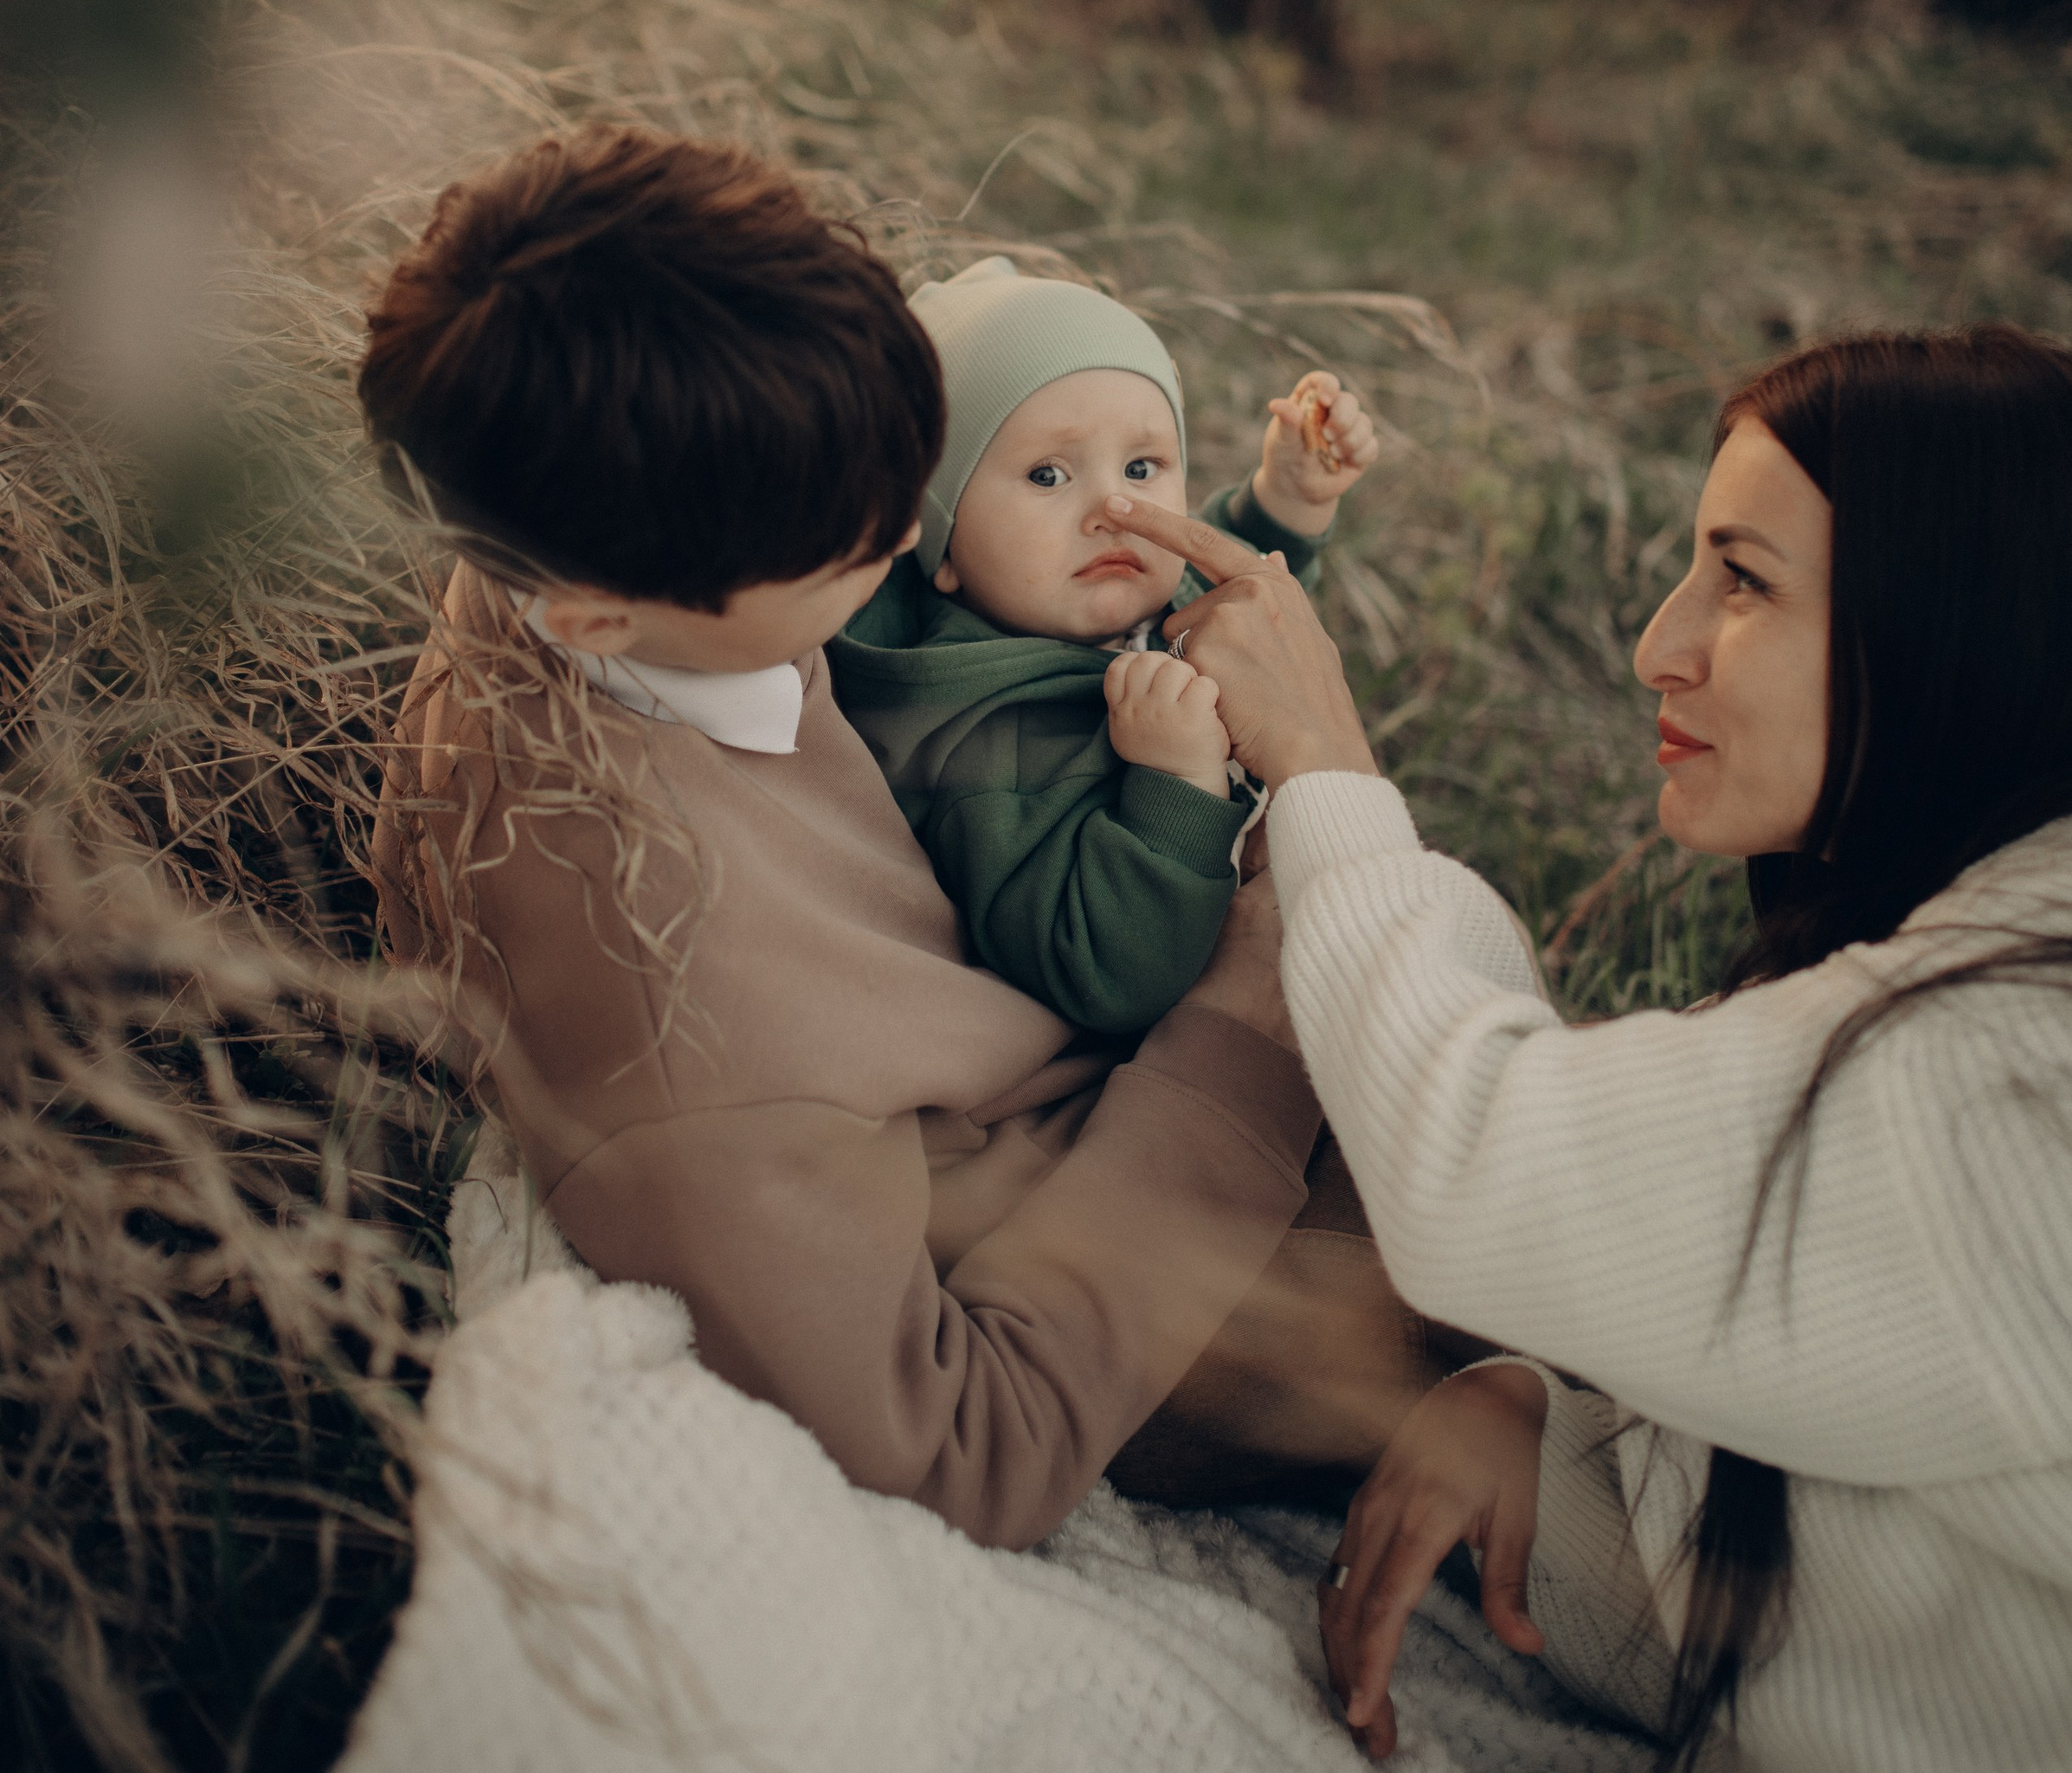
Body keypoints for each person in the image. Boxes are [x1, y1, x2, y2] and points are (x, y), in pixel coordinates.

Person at [1110, 326, 2072, 1773]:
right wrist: (1545, 1436)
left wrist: (1322, 769)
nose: (1657, 644)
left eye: (1743, 581)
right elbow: (1879, 1535)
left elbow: (1479, 1162)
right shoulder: (2006, 972)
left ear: (1956, 625)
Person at [358, 126, 1438, 1555]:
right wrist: (1265, 993)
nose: (909, 529)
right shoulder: (684, 1021)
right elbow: (961, 1450)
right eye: (845, 531)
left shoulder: (612, 513)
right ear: (596, 616)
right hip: (1193, 1256)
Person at [832, 254, 1377, 1033]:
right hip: (1202, 1021)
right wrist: (1176, 780)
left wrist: (1284, 501)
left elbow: (1238, 616)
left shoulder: (1112, 598)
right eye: (1048, 476)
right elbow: (1103, 972)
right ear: (941, 545)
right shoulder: (986, 742)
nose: (1114, 509)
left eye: (1142, 466)